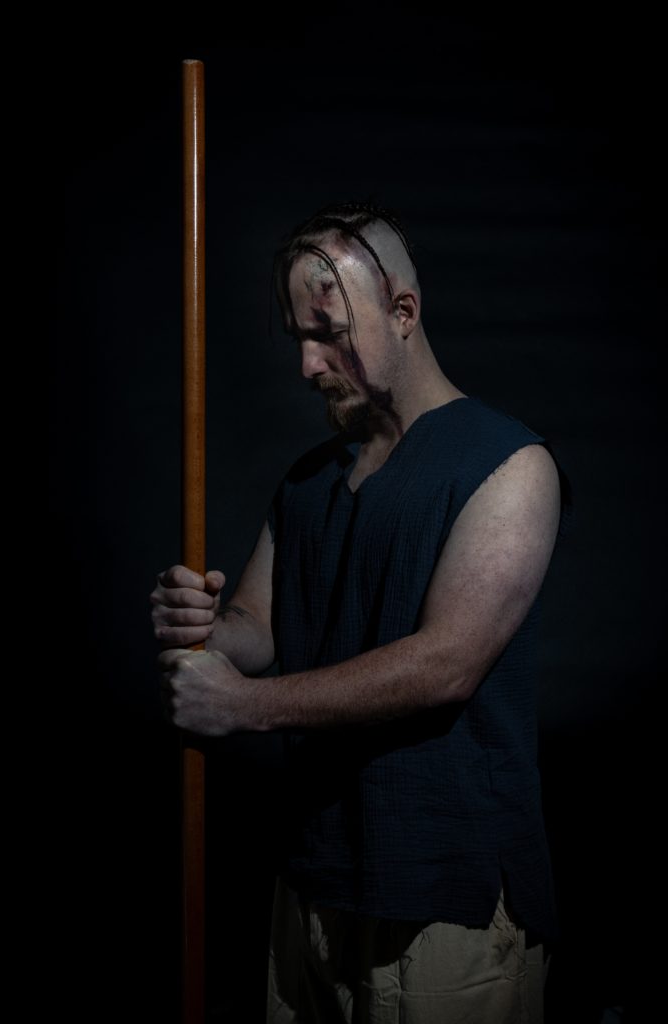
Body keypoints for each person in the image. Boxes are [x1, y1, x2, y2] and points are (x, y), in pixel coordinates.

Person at [151, 201, 569, 1023]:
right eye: (296, 339)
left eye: (328, 333)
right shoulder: (309, 478)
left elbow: (446, 666)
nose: (308, 364)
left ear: (402, 311)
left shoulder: (508, 464)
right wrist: (202, 628)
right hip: (311, 882)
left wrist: (241, 706)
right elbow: (256, 629)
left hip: (443, 899)